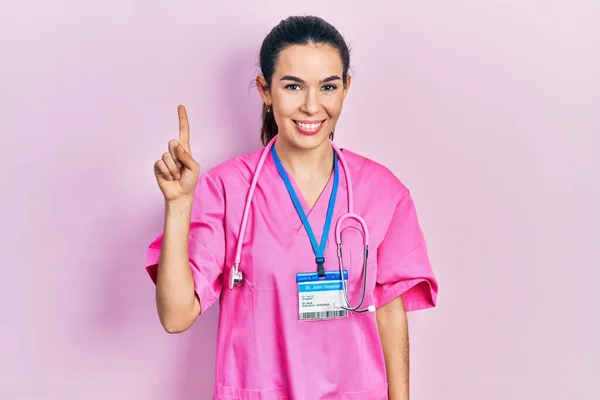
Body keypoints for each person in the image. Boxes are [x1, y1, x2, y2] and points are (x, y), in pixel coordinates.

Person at [146, 15, 438, 400]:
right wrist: (180, 205)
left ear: (346, 89)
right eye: (293, 86)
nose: (312, 106)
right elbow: (176, 315)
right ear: (265, 90)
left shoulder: (383, 192)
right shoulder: (227, 190)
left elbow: (389, 312)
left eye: (328, 86)